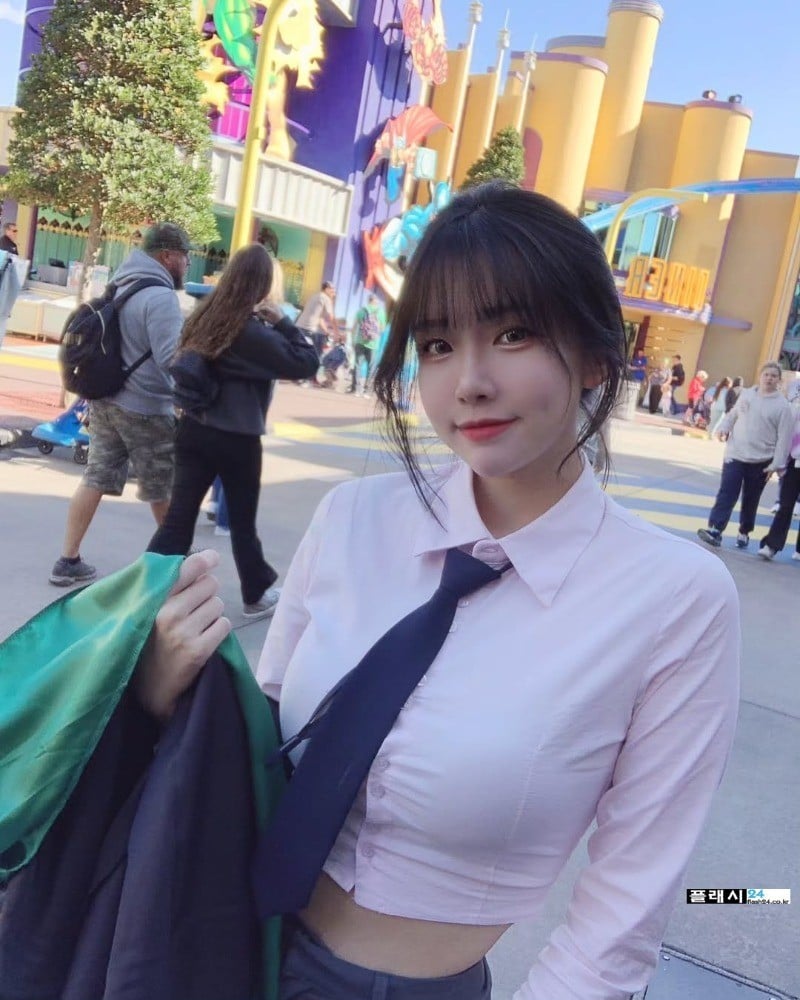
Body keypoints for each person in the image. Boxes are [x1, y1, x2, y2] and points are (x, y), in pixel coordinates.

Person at [138, 183, 740, 1000]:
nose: (470, 382)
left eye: (515, 334)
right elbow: (259, 750)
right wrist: (163, 695)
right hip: (229, 950)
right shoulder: (352, 518)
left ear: (599, 355)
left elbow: (623, 910)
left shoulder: (675, 601)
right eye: (438, 344)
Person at [147, 243, 319, 620]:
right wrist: (282, 322)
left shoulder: (205, 316)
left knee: (179, 518)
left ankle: (146, 590)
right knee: (241, 522)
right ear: (262, 284)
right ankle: (255, 593)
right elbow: (307, 362)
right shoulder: (251, 332)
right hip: (237, 438)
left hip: (194, 429)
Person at [48, 222, 189, 586]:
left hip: (105, 401)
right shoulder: (160, 297)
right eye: (184, 256)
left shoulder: (121, 285)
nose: (187, 264)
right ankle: (178, 564)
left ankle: (67, 559)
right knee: (162, 486)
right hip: (145, 408)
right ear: (167, 256)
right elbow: (170, 359)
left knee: (94, 479)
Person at [697, 361, 794, 550]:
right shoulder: (747, 394)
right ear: (760, 376)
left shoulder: (782, 406)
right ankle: (715, 529)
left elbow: (784, 438)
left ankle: (744, 530)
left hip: (761, 460)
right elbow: (733, 415)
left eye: (774, 376)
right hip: (736, 453)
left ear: (779, 380)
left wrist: (776, 464)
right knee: (727, 492)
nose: (769, 378)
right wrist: (724, 428)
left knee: (751, 498)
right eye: (766, 374)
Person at [758, 381, 800, 560]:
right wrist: (780, 459)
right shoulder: (795, 388)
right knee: (785, 505)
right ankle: (772, 545)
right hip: (794, 459)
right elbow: (787, 427)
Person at [349, 292, 387, 396]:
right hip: (373, 344)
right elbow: (382, 329)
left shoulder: (361, 311)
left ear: (368, 300)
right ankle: (366, 391)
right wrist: (374, 332)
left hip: (360, 342)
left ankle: (356, 390)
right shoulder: (380, 312)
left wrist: (352, 341)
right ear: (375, 301)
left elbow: (354, 328)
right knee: (371, 367)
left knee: (357, 365)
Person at [297, 280, 338, 359]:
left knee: (299, 355)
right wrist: (337, 333)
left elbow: (319, 319)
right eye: (332, 290)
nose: (333, 293)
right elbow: (332, 318)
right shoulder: (326, 298)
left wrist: (327, 332)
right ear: (326, 289)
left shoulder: (314, 296)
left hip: (299, 327)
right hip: (310, 331)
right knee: (316, 357)